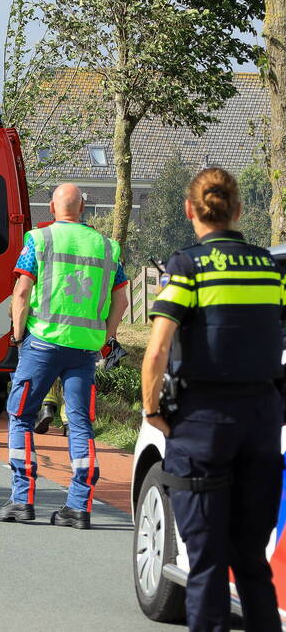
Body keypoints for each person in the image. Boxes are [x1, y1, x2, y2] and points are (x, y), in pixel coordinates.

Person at [141, 168, 285, 631]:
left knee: (204, 565)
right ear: (239, 210)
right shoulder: (268, 267)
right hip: (262, 425)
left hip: (203, 427)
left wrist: (151, 411)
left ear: (190, 210)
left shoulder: (188, 267)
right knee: (251, 563)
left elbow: (158, 350)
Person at [0, 183, 129, 529]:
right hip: (84, 349)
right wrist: (106, 338)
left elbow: (22, 292)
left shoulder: (39, 240)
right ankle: (78, 507)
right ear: (83, 208)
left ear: (52, 209)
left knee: (21, 415)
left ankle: (22, 500)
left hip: (41, 343)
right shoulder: (108, 247)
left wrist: (18, 335)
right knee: (81, 424)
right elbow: (122, 301)